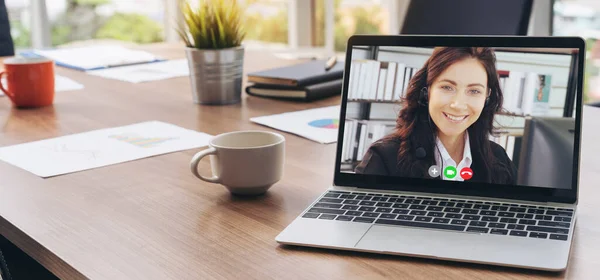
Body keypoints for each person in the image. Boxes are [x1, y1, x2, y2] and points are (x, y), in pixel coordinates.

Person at [355, 47, 517, 184]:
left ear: (487, 98)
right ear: (427, 91)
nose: (458, 104)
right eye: (447, 87)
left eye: (474, 91)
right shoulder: (384, 158)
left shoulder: (498, 160)